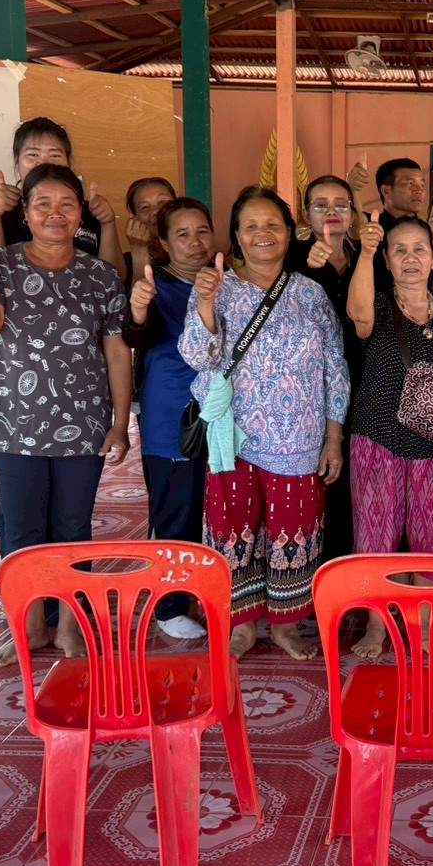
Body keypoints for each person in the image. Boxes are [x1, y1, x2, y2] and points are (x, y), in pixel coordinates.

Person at [0, 163, 132, 666]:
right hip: (15, 422)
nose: (55, 214)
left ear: (81, 212)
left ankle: (70, 627)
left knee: (72, 525)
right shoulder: (1, 263)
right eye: (43, 204)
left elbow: (117, 351)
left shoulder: (100, 274)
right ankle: (30, 624)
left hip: (83, 422)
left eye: (66, 204)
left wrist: (120, 422)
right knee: (20, 528)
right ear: (26, 212)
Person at [180, 187, 349, 660]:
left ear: (288, 232)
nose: (262, 234)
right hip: (233, 437)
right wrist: (206, 304)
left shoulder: (310, 292)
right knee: (234, 528)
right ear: (235, 236)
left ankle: (286, 624)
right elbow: (197, 356)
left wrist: (333, 437)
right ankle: (242, 624)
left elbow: (335, 365)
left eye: (272, 224)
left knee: (292, 530)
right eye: (250, 226)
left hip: (298, 436)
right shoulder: (218, 285)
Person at [345, 213, 433, 658]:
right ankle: (377, 628)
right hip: (377, 436)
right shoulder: (379, 306)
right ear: (386, 258)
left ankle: (424, 624)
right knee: (376, 534)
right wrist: (364, 252)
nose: (409, 258)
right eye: (398, 250)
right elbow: (357, 316)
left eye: (419, 249)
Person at [123, 198, 216, 639]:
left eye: (202, 231)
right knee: (175, 512)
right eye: (182, 234)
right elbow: (134, 334)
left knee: (215, 510)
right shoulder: (154, 285)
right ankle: (169, 606)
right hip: (171, 417)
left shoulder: (224, 282)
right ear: (163, 242)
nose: (194, 243)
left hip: (222, 418)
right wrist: (139, 307)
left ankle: (205, 592)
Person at [287, 173, 363, 560]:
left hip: (361, 388)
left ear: (353, 213)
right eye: (321, 205)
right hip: (303, 396)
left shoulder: (370, 256)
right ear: (307, 214)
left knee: (350, 485)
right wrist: (307, 267)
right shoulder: (288, 260)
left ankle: (343, 572)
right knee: (308, 487)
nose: (331, 212)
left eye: (341, 205)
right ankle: (309, 576)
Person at [0, 116, 127, 280]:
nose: (43, 163)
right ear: (16, 161)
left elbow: (115, 280)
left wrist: (108, 223)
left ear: (68, 162)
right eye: (33, 154)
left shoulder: (89, 211)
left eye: (55, 156)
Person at [122, 176, 176, 278]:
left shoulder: (197, 249)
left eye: (163, 202)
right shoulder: (127, 263)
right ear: (135, 218)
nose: (156, 211)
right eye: (145, 207)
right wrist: (139, 250)